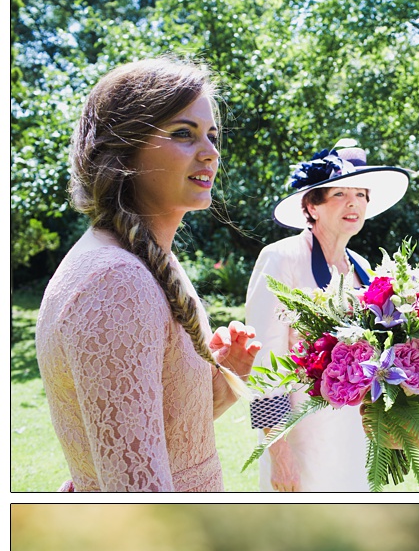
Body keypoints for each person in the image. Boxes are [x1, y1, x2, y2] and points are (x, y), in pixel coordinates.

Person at [35, 55, 260, 492]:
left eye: (212, 135)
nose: (211, 152)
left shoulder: (146, 261)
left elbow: (156, 433)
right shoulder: (116, 283)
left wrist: (223, 380)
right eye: (183, 133)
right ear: (125, 151)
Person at [244, 140, 410, 491]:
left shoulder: (364, 270)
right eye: (339, 194)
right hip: (301, 441)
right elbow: (262, 368)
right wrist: (280, 453)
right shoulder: (281, 259)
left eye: (361, 194)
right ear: (312, 206)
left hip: (355, 438)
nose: (353, 203)